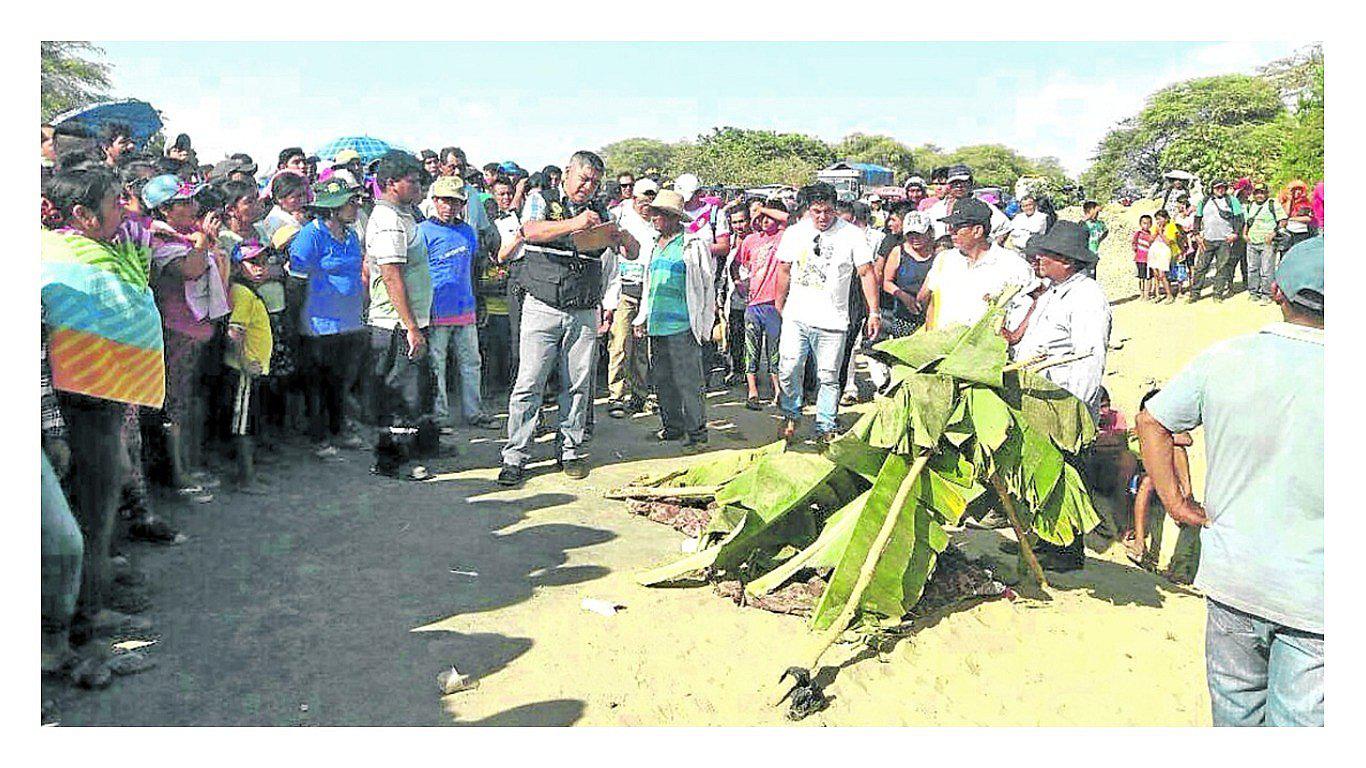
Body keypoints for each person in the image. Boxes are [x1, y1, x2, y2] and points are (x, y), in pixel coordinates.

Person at [1136, 236, 1324, 727]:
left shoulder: (1226, 356)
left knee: (1235, 718)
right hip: (1318, 598)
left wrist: (1178, 505)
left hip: (1233, 580)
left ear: (1278, 292)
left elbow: (1151, 421)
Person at [41, 166, 163, 637]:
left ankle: (81, 608)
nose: (124, 210)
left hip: (90, 403)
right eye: (115, 202)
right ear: (82, 214)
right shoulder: (75, 259)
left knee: (81, 518)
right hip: (81, 405)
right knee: (90, 517)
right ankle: (84, 617)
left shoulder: (64, 251)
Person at [497, 151, 639, 487]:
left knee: (578, 385)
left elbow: (631, 253)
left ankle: (570, 450)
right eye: (583, 179)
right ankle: (515, 455)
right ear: (566, 174)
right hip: (542, 305)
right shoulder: (539, 199)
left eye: (593, 182)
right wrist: (574, 224)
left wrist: (621, 238)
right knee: (528, 384)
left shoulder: (602, 210)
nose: (587, 187)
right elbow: (530, 231)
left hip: (584, 309)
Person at [1008, 220, 1112, 570]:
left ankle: (1066, 551)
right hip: (1038, 398)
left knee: (1066, 477)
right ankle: (1041, 538)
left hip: (1063, 403)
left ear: (1066, 261)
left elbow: (1089, 357)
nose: (1038, 260)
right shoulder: (1052, 292)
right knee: (1041, 473)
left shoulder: (1088, 298)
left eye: (1046, 255)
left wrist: (1074, 411)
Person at [144, 174, 231, 499]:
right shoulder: (160, 242)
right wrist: (203, 240)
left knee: (189, 401)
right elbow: (191, 270)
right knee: (175, 404)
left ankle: (189, 466)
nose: (195, 206)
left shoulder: (185, 237)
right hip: (177, 331)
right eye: (185, 202)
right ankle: (177, 476)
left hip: (198, 330)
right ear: (165, 209)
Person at [773, 183, 881, 444]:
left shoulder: (853, 235)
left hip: (834, 320)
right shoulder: (794, 233)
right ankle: (791, 413)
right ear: (808, 209)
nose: (822, 217)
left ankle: (825, 425)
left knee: (829, 376)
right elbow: (784, 270)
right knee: (788, 367)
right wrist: (779, 302)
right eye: (816, 211)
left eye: (828, 211)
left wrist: (874, 312)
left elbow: (866, 273)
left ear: (836, 209)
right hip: (797, 315)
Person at [365, 150, 438, 479]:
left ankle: (418, 446)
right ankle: (393, 460)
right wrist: (411, 327)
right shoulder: (388, 221)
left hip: (413, 320)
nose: (420, 186)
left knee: (419, 388)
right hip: (395, 325)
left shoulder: (408, 215)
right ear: (391, 183)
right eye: (413, 180)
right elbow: (391, 275)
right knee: (400, 393)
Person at [289, 178, 369, 457]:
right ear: (333, 208)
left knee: (340, 381)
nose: (356, 206)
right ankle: (319, 437)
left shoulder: (351, 236)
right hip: (318, 324)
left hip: (349, 322)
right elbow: (296, 283)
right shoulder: (309, 236)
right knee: (318, 384)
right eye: (350, 202)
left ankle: (339, 430)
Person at [631, 189, 716, 450]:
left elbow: (705, 285)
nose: (654, 218)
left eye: (658, 214)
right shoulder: (654, 245)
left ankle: (697, 432)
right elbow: (649, 286)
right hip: (657, 325)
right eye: (653, 213)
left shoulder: (692, 245)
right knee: (663, 380)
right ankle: (672, 427)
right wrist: (641, 319)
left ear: (672, 217)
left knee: (688, 381)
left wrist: (704, 325)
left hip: (683, 326)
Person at [420, 175, 497, 432]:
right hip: (436, 311)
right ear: (434, 201)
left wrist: (480, 300)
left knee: (471, 362)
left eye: (455, 202)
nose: (449, 207)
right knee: (437, 365)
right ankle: (440, 417)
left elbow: (474, 268)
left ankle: (474, 412)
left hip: (465, 309)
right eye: (444, 201)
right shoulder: (423, 232)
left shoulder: (466, 231)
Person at [917, 197, 1034, 331]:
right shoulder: (944, 259)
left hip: (986, 349)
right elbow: (932, 304)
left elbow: (1034, 305)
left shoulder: (1013, 265)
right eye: (950, 226)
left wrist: (1014, 336)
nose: (951, 231)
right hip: (942, 348)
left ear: (977, 231)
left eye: (957, 227)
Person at [605, 178, 659, 418]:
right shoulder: (619, 216)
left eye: (651, 201)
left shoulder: (657, 224)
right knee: (619, 344)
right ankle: (616, 395)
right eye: (643, 201)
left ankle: (640, 394)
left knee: (642, 349)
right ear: (634, 199)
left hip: (647, 291)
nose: (646, 206)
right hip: (623, 291)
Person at [224, 242, 274, 492]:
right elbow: (234, 333)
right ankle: (245, 478)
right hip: (245, 371)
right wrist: (244, 363)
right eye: (253, 262)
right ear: (236, 267)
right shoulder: (242, 293)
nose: (260, 268)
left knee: (249, 422)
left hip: (252, 370)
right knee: (243, 425)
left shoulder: (248, 292)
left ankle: (249, 473)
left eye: (264, 262)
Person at [737, 200, 788, 410]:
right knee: (751, 349)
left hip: (774, 303)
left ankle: (778, 391)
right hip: (753, 304)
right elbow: (740, 264)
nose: (766, 221)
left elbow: (788, 219)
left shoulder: (784, 237)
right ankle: (752, 392)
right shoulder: (750, 240)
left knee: (775, 351)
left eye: (770, 218)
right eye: (762, 218)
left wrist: (764, 209)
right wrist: (740, 284)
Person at [881, 211, 937, 339]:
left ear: (929, 232)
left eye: (919, 234)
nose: (914, 239)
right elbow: (886, 282)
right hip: (904, 317)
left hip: (931, 316)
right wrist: (903, 296)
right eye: (910, 235)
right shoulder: (898, 252)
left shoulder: (938, 254)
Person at [1189, 180, 1240, 303]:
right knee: (1201, 267)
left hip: (1225, 240)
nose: (1220, 190)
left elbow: (1239, 218)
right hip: (1207, 240)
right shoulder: (1205, 201)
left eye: (1223, 187)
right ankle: (1194, 294)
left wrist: (1235, 234)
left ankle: (1217, 294)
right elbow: (1197, 218)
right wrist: (1196, 234)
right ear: (1212, 189)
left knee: (1222, 268)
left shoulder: (1232, 201)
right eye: (1217, 188)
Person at [721, 205, 753, 385]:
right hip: (734, 297)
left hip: (755, 296)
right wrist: (737, 283)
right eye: (735, 222)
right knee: (735, 334)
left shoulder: (757, 239)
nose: (739, 226)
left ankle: (753, 373)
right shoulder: (729, 241)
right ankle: (738, 370)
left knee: (754, 339)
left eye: (742, 221)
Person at [1243, 183, 1286, 303]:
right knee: (1252, 268)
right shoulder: (1250, 205)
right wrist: (1245, 234)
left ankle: (1267, 294)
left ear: (1266, 193)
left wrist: (1273, 233)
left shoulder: (1273, 204)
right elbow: (1248, 221)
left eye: (1262, 192)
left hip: (1267, 243)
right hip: (1252, 241)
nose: (1259, 195)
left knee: (1267, 270)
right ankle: (1253, 292)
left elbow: (1282, 221)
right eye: (1257, 193)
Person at [1145, 210, 1180, 303]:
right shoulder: (1155, 227)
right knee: (1156, 274)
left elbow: (1169, 242)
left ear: (1166, 218)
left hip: (1165, 250)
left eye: (1159, 219)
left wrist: (1160, 233)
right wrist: (1156, 232)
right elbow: (1150, 240)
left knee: (1162, 274)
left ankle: (1169, 295)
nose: (1158, 221)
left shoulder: (1171, 226)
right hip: (1155, 249)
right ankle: (1157, 294)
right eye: (1156, 219)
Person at [1081, 200, 1108, 272]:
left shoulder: (1099, 223)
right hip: (1085, 253)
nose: (1097, 215)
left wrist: (1100, 240)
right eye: (1096, 213)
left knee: (1092, 273)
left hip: (1094, 252)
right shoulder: (1084, 224)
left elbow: (1106, 231)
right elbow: (1078, 229)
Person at [1131, 214, 1154, 299]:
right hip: (1139, 259)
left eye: (1148, 223)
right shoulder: (1138, 234)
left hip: (1149, 259)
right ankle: (1141, 293)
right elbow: (1134, 243)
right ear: (1140, 224)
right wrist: (1135, 249)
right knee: (1141, 277)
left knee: (1148, 277)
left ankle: (1147, 293)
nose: (1146, 225)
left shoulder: (1151, 235)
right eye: (1144, 223)